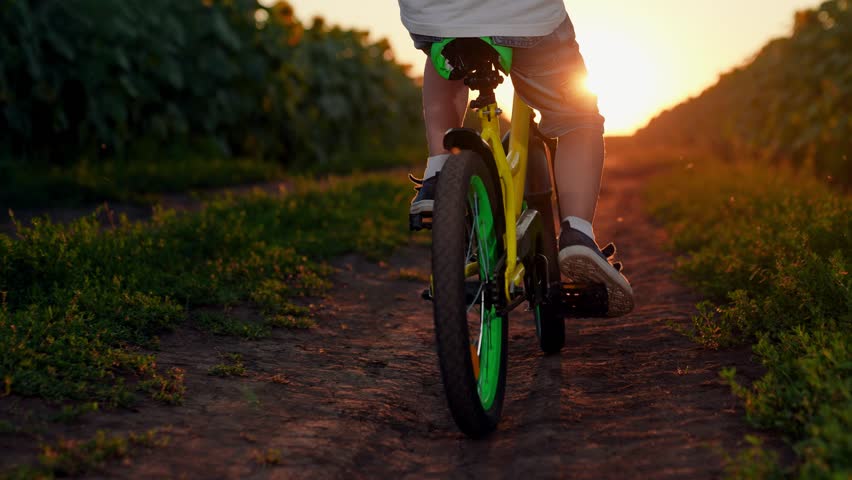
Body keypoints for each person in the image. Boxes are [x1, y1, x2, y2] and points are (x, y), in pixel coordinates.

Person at [399, 0, 634, 316]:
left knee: (446, 46)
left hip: (436, 11)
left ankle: (438, 170)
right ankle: (577, 232)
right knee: (577, 118)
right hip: (523, 16)